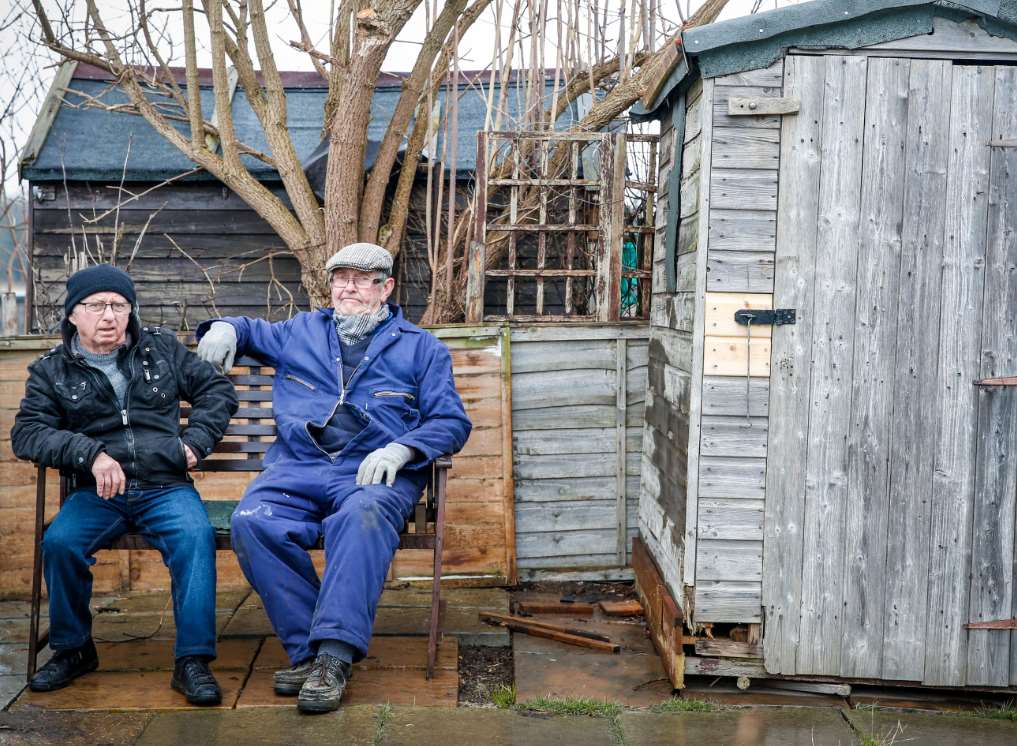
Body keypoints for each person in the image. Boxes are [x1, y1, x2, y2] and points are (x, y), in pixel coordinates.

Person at [196, 242, 471, 714]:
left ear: (385, 288)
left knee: (362, 517)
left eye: (362, 279)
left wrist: (402, 448)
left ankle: (335, 656)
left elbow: (451, 421)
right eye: (341, 277)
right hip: (298, 468)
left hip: (371, 472)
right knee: (253, 521)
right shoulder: (299, 332)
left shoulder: (421, 348)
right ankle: (312, 653)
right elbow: (246, 329)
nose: (349, 287)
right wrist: (223, 327)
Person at [11, 264, 238, 705]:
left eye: (119, 305)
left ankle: (192, 661)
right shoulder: (51, 371)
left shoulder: (161, 350)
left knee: (195, 537)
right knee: (60, 543)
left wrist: (195, 442)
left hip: (164, 485)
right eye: (96, 306)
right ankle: (74, 648)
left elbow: (216, 391)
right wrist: (89, 454)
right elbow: (28, 433)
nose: (110, 315)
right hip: (98, 494)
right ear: (73, 315)